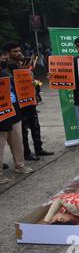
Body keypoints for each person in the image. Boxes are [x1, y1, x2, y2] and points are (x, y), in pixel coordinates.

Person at [3, 41, 54, 161]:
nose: (19, 53)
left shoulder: (26, 65)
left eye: (19, 50)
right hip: (17, 104)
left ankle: (39, 149)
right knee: (22, 130)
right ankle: (26, 153)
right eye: (15, 51)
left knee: (35, 126)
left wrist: (35, 88)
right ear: (7, 53)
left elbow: (34, 82)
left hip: (29, 101)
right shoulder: (5, 69)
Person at [0, 42, 34, 184]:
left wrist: (28, 75)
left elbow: (24, 84)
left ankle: (20, 165)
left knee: (17, 140)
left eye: (3, 56)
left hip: (14, 109)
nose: (2, 58)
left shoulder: (13, 69)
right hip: (2, 113)